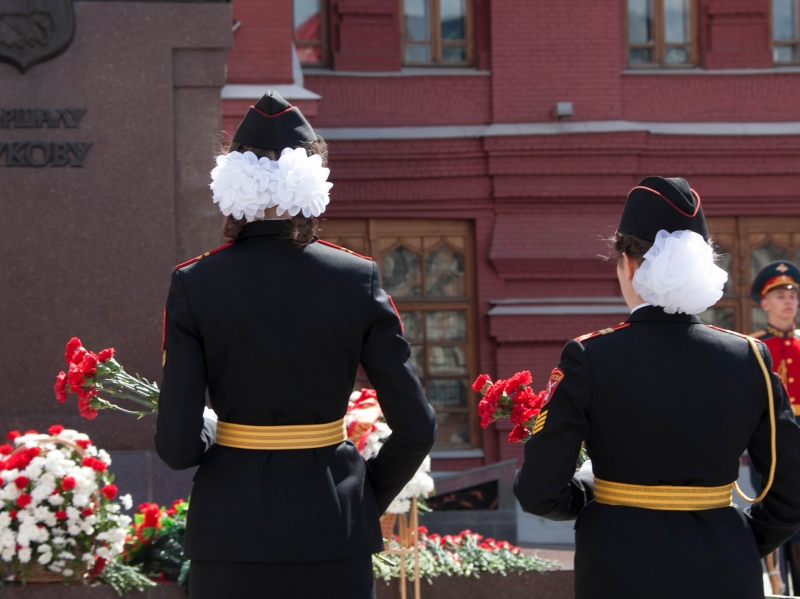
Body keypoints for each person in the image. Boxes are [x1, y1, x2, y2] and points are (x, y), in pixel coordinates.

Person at [154, 92, 437, 599]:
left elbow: (176, 448)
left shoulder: (194, 283)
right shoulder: (357, 279)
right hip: (334, 528)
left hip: (230, 534)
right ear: (311, 180)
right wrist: (361, 496)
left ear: (232, 180)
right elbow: (417, 426)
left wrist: (212, 435)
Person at [514, 176, 800, 599]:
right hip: (725, 569)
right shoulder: (749, 357)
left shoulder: (590, 356)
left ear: (629, 264)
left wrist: (593, 498)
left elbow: (539, 490)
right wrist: (738, 540)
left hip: (618, 568)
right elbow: (791, 488)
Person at [750, 260, 800, 593]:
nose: (788, 301)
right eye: (780, 295)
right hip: (769, 437)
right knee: (775, 505)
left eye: (793, 295)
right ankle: (778, 583)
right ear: (764, 303)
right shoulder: (752, 347)